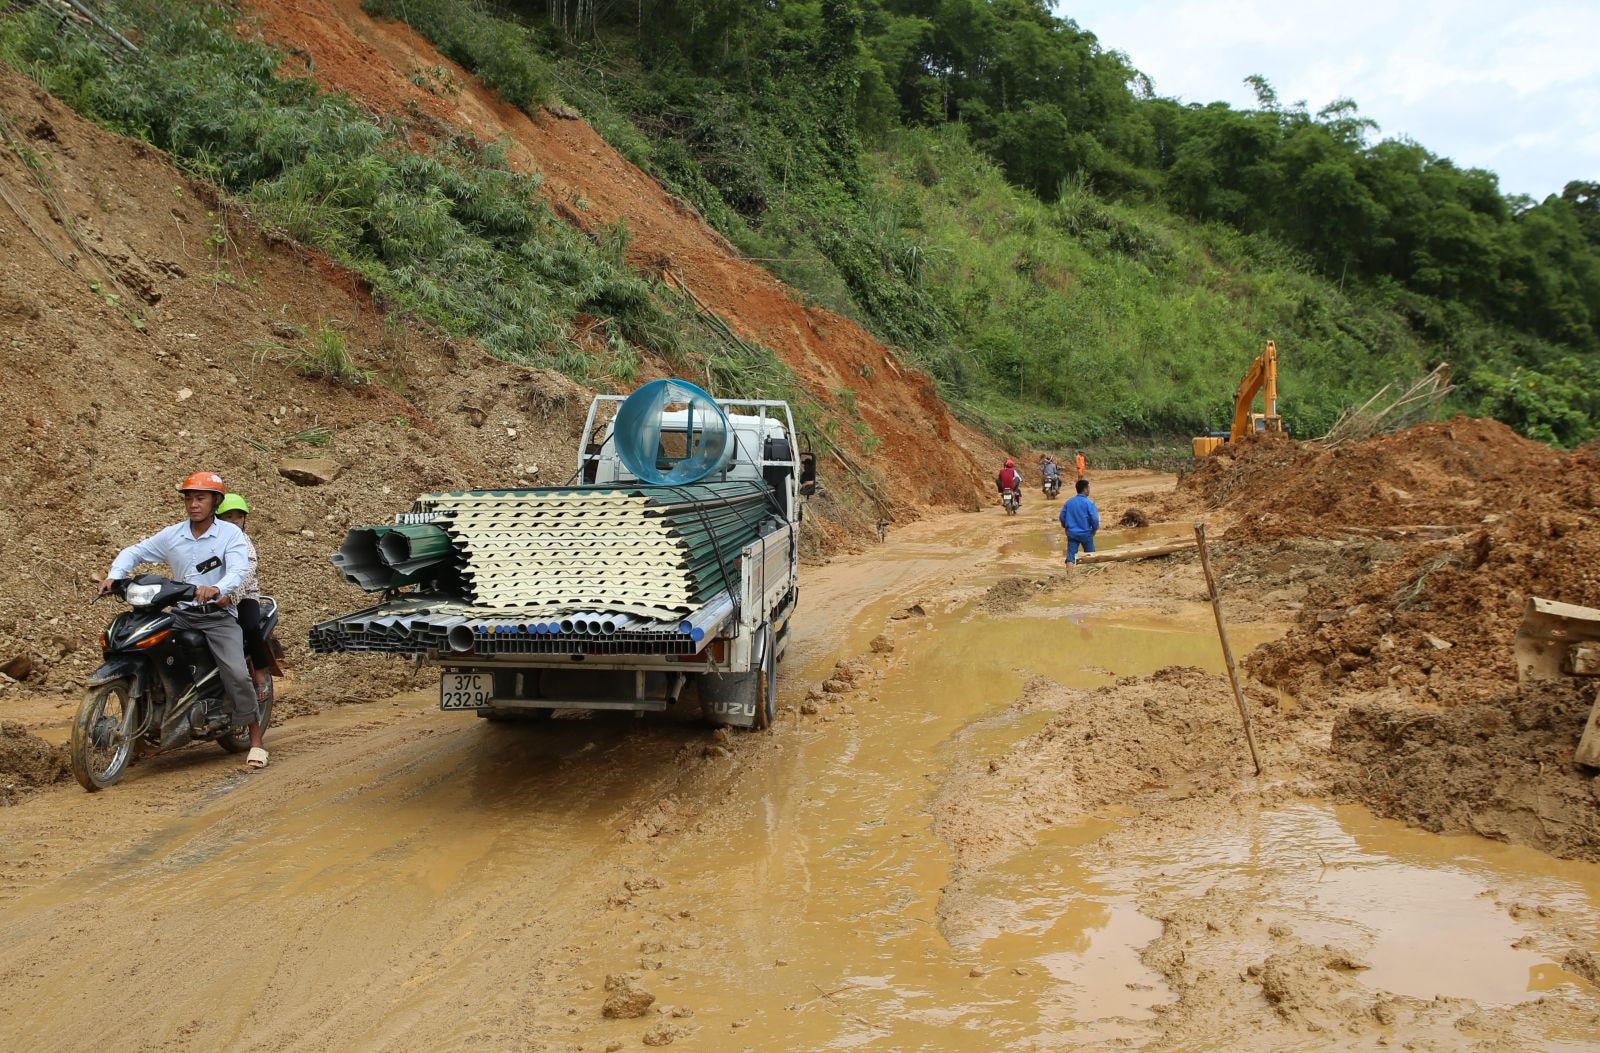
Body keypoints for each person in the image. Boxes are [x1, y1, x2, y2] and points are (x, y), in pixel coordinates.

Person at [97, 472, 269, 770]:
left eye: (200, 498)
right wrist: (115, 574)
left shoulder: (231, 535)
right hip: (181, 614)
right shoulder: (173, 534)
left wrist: (218, 588)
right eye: (189, 498)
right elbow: (136, 551)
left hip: (217, 617)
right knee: (147, 648)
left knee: (238, 674)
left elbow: (239, 570)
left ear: (215, 501)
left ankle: (255, 741)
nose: (193, 504)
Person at [216, 492, 271, 704]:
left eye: (238, 517)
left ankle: (260, 672)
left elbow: (247, 572)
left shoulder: (244, 541)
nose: (234, 521)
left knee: (249, 627)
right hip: (213, 595)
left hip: (244, 595)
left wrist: (231, 597)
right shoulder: (209, 539)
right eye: (228, 517)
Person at [1059, 478, 1100, 565]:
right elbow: (1094, 518)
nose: (1089, 490)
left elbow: (1062, 517)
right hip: (1086, 533)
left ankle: (1069, 576)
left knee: (1071, 556)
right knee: (1090, 554)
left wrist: (1066, 527)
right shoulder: (1089, 503)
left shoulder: (1069, 502)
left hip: (1072, 533)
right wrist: (1095, 529)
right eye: (1088, 488)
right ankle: (1089, 573)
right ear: (1085, 489)